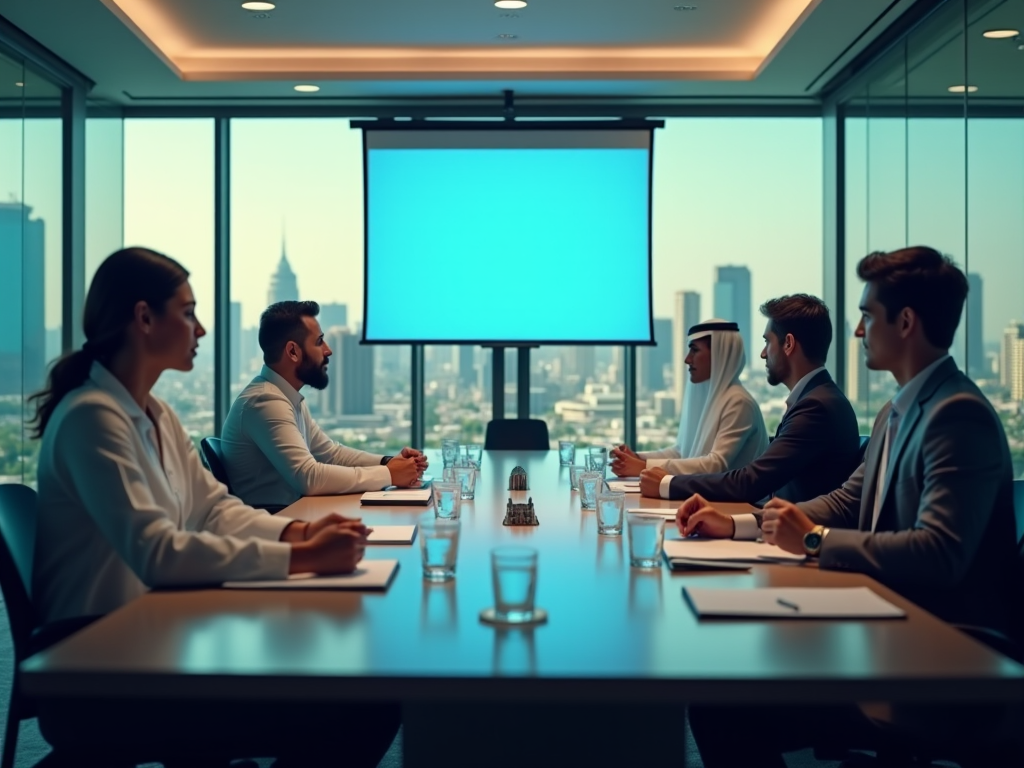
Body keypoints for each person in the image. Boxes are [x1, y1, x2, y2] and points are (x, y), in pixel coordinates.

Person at [31, 248, 398, 765]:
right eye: (187, 313)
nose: (201, 329)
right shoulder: (93, 419)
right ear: (143, 318)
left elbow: (214, 509)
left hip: (158, 635)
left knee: (354, 690)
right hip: (105, 669)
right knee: (362, 705)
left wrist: (297, 536)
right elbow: (157, 552)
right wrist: (302, 559)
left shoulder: (154, 413)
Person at [684, 247, 1020, 768]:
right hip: (892, 632)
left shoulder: (958, 416)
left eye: (867, 316)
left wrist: (816, 542)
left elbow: (940, 553)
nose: (858, 332)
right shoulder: (896, 411)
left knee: (722, 701)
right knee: (721, 686)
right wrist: (745, 523)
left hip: (941, 655)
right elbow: (847, 500)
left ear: (905, 322)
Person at [638, 295, 860, 511]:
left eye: (767, 341)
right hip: (775, 525)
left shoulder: (816, 407)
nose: (763, 354)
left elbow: (749, 482)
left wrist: (667, 484)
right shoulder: (816, 398)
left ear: (789, 344)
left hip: (794, 539)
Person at [221, 300, 427, 508]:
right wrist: (389, 474)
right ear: (293, 351)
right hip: (277, 527)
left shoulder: (286, 396)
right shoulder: (265, 402)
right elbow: (308, 477)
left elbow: (330, 454)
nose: (328, 351)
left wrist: (388, 462)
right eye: (319, 341)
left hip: (298, 516)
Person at [611, 319, 768, 478]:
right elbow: (681, 452)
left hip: (742, 503)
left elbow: (715, 465)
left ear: (718, 355)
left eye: (695, 350)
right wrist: (636, 457)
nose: (687, 359)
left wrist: (644, 467)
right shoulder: (710, 396)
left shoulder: (739, 403)